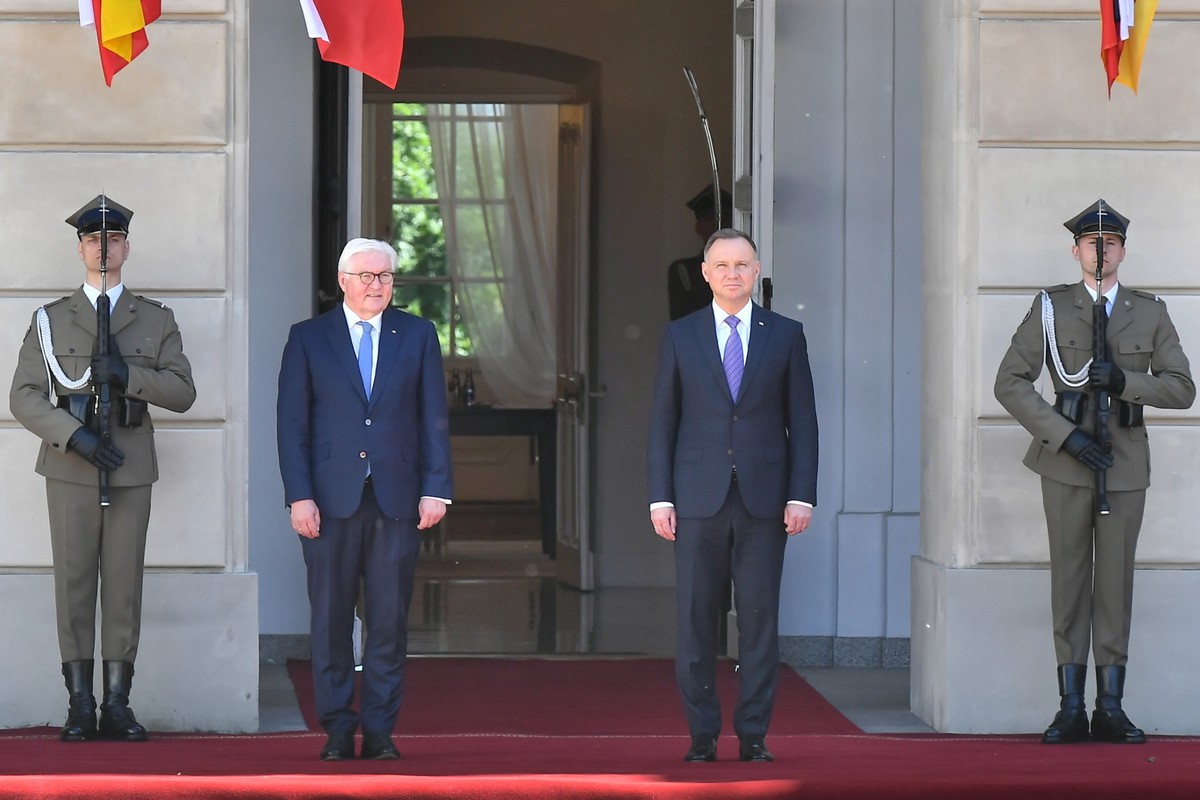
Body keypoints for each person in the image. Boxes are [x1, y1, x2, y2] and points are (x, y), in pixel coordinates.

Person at [994, 199, 1194, 745]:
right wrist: (1067, 435)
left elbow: (1181, 387)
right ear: (1076, 250)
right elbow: (1009, 382)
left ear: (1123, 251)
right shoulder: (1051, 308)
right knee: (1070, 581)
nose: (1100, 251)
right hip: (1065, 462)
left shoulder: (1148, 312)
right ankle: (1068, 707)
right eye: (1091, 243)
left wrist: (1126, 382)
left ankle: (1110, 706)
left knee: (1115, 585)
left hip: (1123, 464)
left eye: (1109, 243)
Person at [9, 194, 197, 743]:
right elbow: (23, 396)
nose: (103, 247)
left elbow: (184, 392)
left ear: (126, 247)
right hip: (71, 467)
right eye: (94, 239)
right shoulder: (50, 320)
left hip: (131, 466)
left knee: (122, 585)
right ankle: (79, 703)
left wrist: (128, 376)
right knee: (72, 584)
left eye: (113, 239)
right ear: (80, 248)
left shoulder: (155, 319)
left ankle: (118, 703)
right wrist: (76, 436)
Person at [276, 237, 452, 761]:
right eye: (367, 276)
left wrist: (436, 487)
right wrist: (299, 496)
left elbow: (434, 418)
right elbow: (292, 425)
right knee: (330, 621)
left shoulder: (417, 334)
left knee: (388, 621)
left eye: (385, 277)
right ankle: (335, 727)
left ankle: (378, 730)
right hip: (329, 502)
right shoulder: (308, 338)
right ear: (343, 281)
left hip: (397, 499)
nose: (377, 285)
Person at [648, 228, 819, 763]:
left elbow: (804, 423)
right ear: (706, 273)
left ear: (756, 268)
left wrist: (802, 496)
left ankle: (753, 735)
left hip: (766, 501)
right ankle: (701, 736)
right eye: (721, 265)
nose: (732, 274)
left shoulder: (785, 334)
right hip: (696, 498)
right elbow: (663, 422)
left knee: (760, 620)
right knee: (696, 619)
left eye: (741, 264)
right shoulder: (681, 334)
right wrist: (660, 497)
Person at [667, 185, 732, 320]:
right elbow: (683, 321)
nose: (718, 224)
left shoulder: (747, 266)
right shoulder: (684, 271)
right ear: (699, 227)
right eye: (709, 219)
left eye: (726, 217)